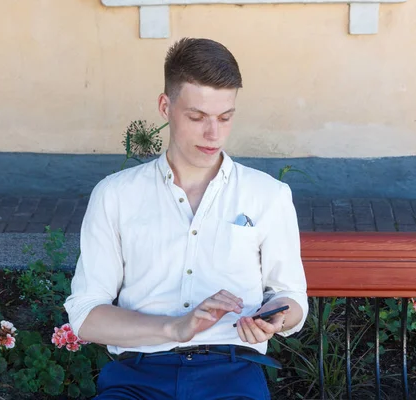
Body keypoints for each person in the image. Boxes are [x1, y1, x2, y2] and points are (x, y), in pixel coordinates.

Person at [64, 37, 309, 399]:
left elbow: (291, 296)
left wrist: (276, 317)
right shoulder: (116, 194)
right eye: (197, 117)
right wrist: (175, 328)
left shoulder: (268, 195)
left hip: (232, 371)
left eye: (225, 118)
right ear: (165, 106)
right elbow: (86, 315)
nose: (214, 134)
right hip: (138, 375)